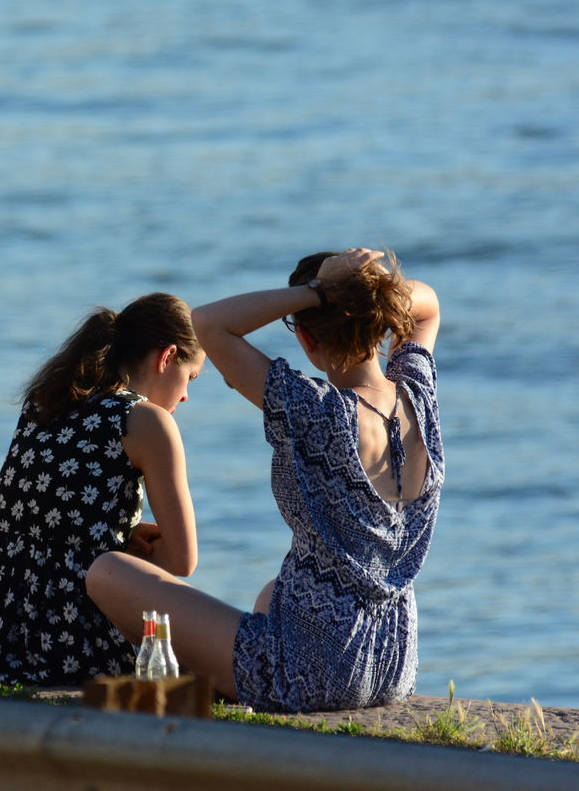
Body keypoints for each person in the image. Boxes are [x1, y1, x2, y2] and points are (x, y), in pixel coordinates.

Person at [86, 248, 442, 712]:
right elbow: (429, 304)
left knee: (109, 572)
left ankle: (172, 690)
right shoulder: (418, 396)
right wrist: (367, 288)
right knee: (270, 595)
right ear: (383, 322)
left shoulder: (316, 411)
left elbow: (208, 324)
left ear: (308, 339)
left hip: (315, 670)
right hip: (394, 661)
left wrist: (316, 292)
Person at [0, 292, 205, 686]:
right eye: (191, 379)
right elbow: (182, 561)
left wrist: (119, 539)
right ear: (167, 357)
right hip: (83, 635)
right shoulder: (145, 420)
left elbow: (53, 518)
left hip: (8, 633)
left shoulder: (45, 400)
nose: (185, 396)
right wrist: (134, 551)